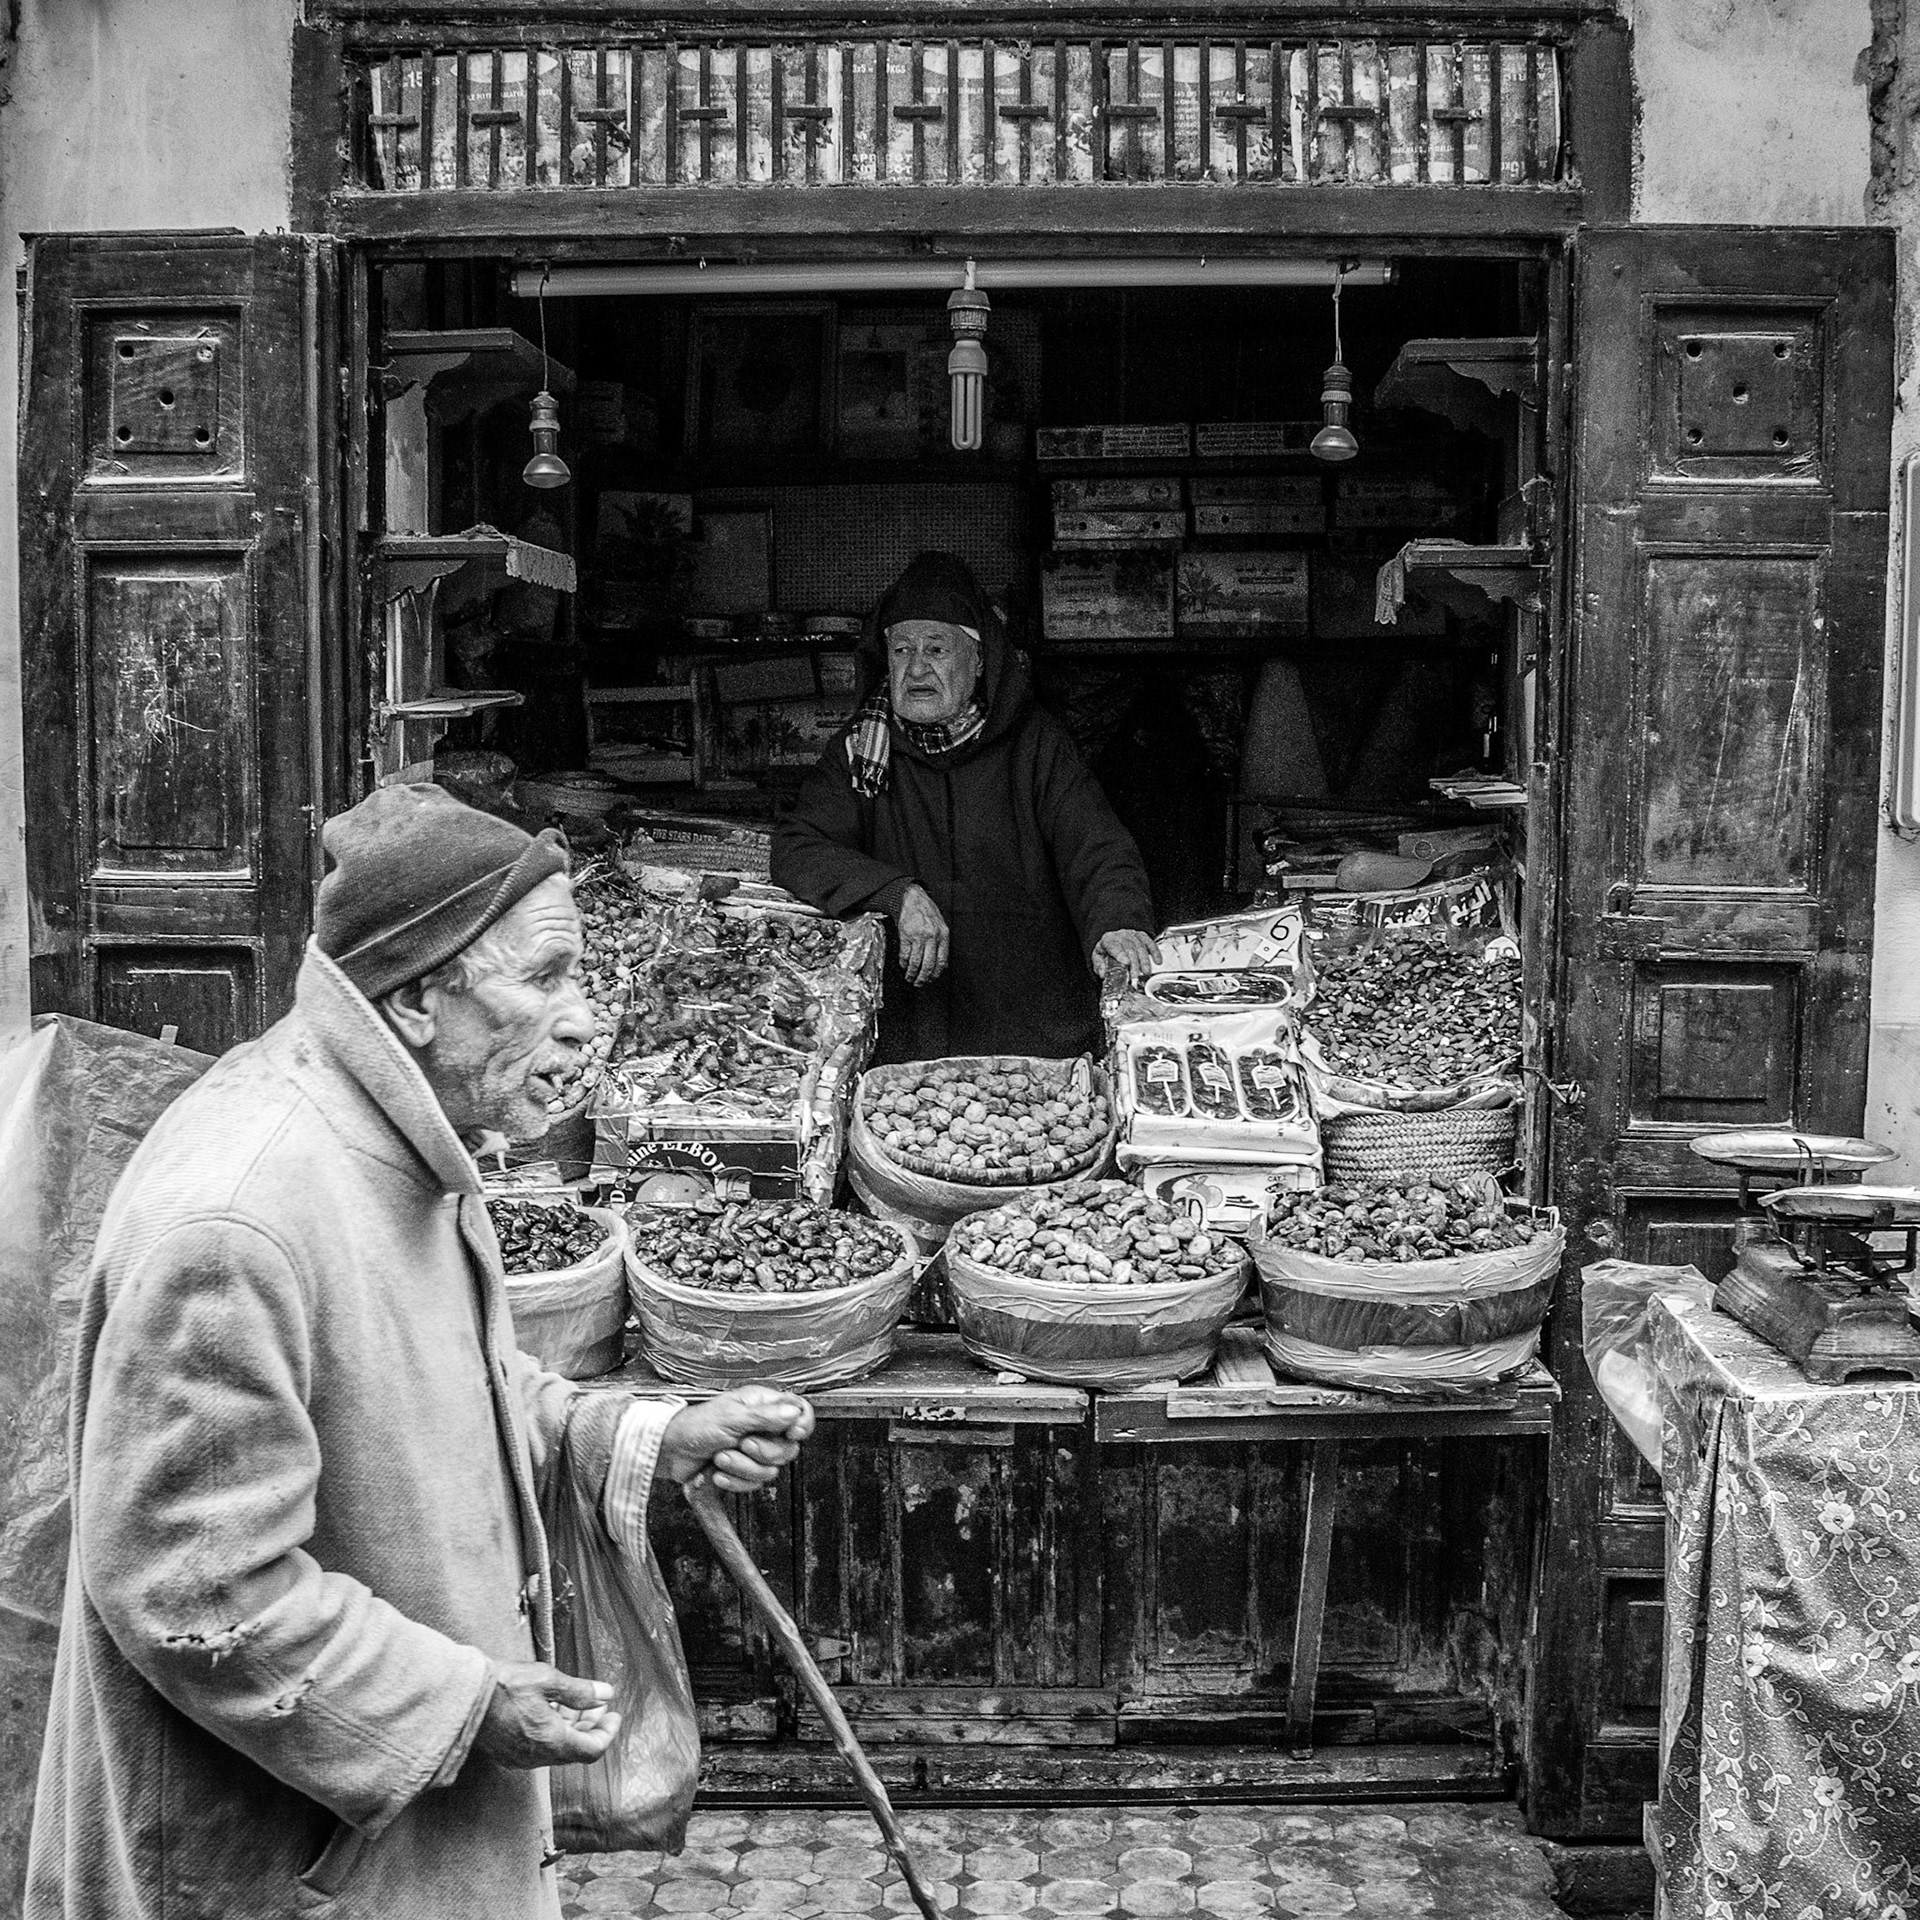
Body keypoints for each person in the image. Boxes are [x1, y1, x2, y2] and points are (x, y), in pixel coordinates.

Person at [27, 785, 813, 1920]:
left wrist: (629, 1431)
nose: (588, 1019)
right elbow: (196, 1588)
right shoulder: (238, 1223)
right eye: (545, 978)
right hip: (280, 1865)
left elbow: (438, 1394)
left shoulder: (397, 1137)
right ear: (416, 999)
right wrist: (466, 1704)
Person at [773, 551, 1157, 1063]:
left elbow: (1096, 847)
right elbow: (799, 845)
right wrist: (895, 893)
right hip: (909, 1030)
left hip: (1027, 1022)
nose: (915, 669)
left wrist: (1117, 921)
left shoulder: (1035, 744)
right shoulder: (861, 748)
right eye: (902, 649)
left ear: (978, 662)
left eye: (936, 649)